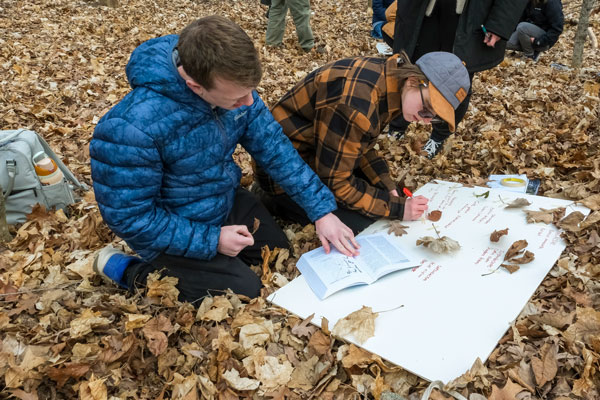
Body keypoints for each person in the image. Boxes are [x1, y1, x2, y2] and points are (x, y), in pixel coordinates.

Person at [89, 16, 360, 303]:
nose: (249, 103)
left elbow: (275, 149)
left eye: (250, 92)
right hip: (173, 222)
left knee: (279, 251)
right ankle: (131, 270)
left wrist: (320, 211)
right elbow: (131, 218)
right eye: (237, 99)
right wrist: (212, 239)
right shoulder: (129, 129)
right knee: (243, 290)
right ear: (195, 87)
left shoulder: (234, 89)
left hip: (222, 198)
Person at [255, 51, 470, 234]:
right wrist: (397, 209)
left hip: (320, 152)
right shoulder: (357, 104)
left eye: (433, 117)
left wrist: (387, 186)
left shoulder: (390, 78)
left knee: (378, 199)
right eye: (426, 109)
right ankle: (271, 200)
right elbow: (336, 182)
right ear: (413, 81)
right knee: (368, 226)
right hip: (283, 173)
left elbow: (361, 145)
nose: (425, 121)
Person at [390, 0, 527, 158]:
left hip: (469, 19)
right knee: (411, 70)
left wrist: (499, 24)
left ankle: (439, 136)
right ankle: (396, 126)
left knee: (455, 84)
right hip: (423, 11)